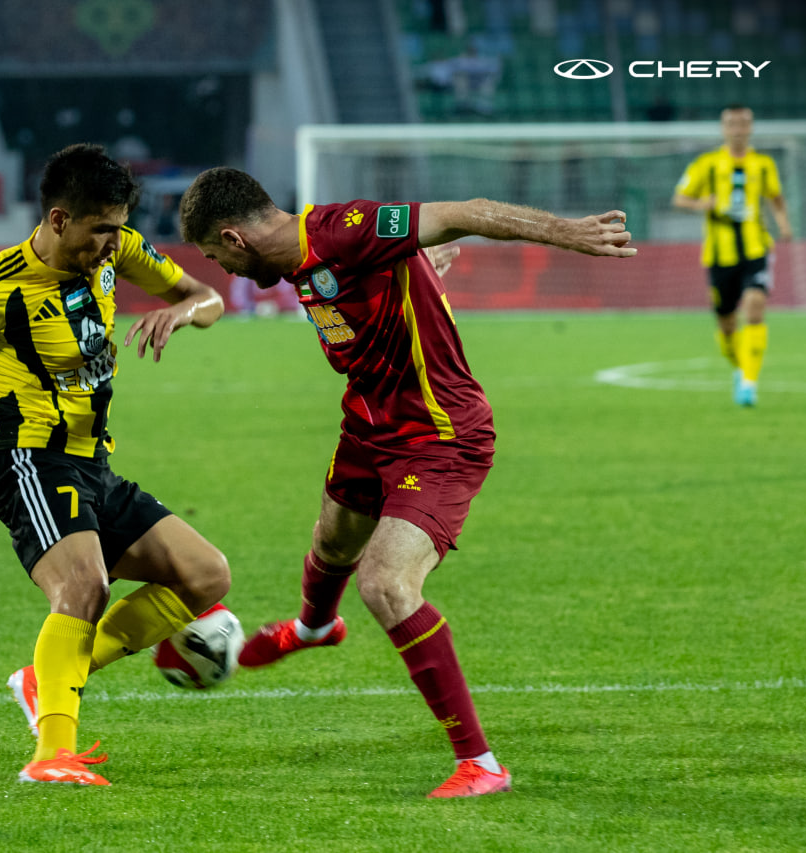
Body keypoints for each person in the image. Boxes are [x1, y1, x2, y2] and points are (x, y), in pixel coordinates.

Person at [178, 167, 635, 798]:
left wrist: (569, 232)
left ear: (234, 238)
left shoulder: (346, 230)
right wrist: (419, 264)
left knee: (386, 584)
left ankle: (481, 763)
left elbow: (465, 210)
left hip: (439, 435)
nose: (222, 269)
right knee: (332, 541)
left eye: (215, 256)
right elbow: (382, 277)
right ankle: (314, 627)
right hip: (369, 423)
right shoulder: (295, 261)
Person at [0, 144, 230, 787]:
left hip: (93, 463)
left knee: (205, 576)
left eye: (119, 228)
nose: (112, 243)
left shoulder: (117, 252)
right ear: (60, 219)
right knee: (84, 587)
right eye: (101, 230)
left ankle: (50, 676)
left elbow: (208, 297)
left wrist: (181, 312)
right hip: (28, 461)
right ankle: (51, 754)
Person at [672, 104, 793, 407]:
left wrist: (783, 224)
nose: (738, 129)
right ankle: (741, 368)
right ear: (723, 128)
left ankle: (749, 383)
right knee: (726, 325)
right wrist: (702, 204)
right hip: (719, 255)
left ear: (750, 128)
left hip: (756, 249)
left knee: (754, 308)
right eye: (732, 124)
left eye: (743, 124)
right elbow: (680, 198)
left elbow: (776, 198)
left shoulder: (763, 164)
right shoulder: (707, 164)